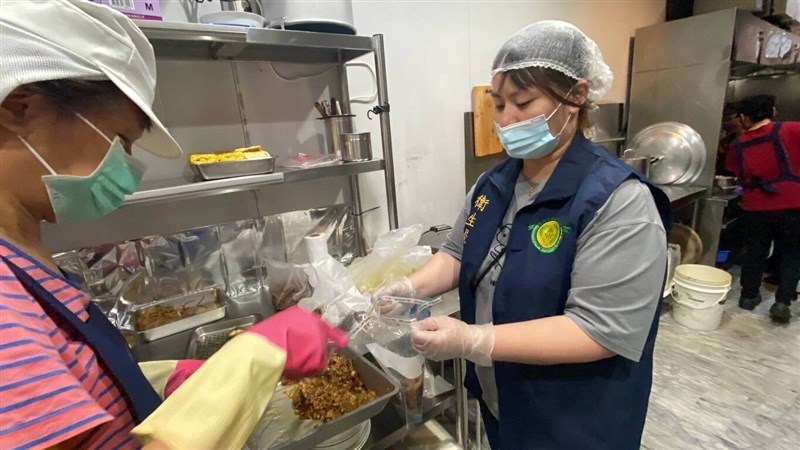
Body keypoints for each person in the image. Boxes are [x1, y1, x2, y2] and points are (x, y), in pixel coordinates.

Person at [0, 2, 345, 449]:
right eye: (120, 140)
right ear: (18, 107)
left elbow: (80, 381)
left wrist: (172, 380)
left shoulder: (23, 251)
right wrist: (247, 365)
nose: (126, 168)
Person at [375, 21, 671, 450]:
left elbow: (598, 329)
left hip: (576, 417)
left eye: (522, 102)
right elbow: (460, 252)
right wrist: (408, 287)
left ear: (576, 96)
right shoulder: (494, 184)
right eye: (497, 104)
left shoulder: (618, 200)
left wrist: (475, 339)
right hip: (505, 400)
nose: (505, 119)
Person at [724, 94, 800, 323]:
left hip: (756, 205)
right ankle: (782, 301)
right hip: (793, 202)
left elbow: (733, 172)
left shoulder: (740, 143)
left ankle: (748, 297)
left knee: (755, 252)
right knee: (791, 254)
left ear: (745, 118)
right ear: (773, 111)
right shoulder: (792, 129)